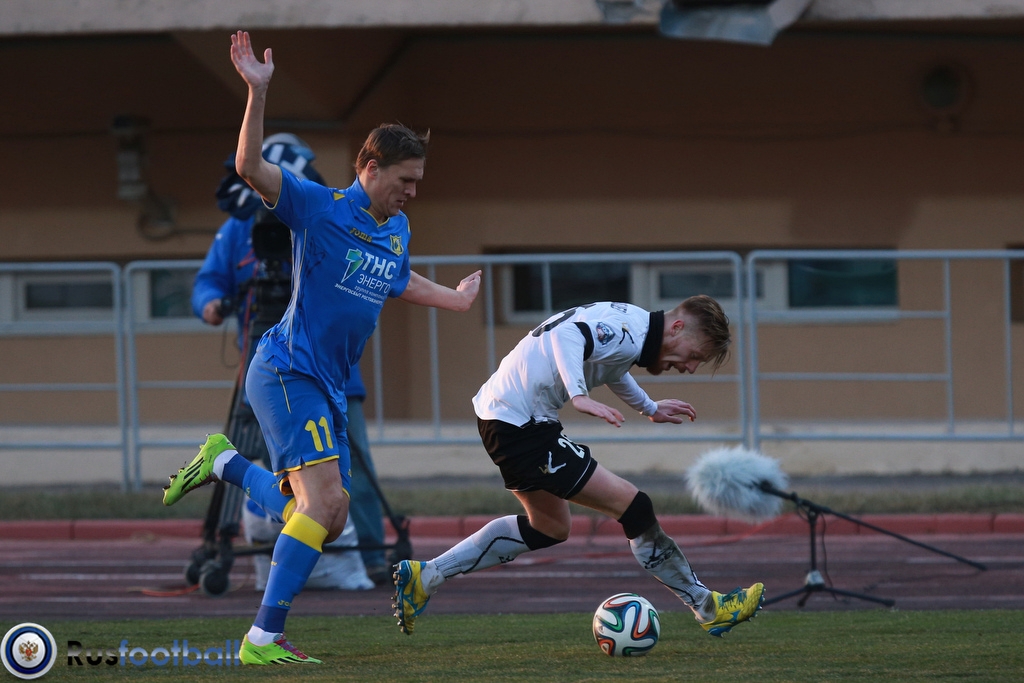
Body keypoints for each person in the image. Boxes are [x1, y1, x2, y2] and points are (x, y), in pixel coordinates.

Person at [162, 30, 481, 665]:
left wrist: (453, 299)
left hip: (327, 384)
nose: (413, 191)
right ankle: (261, 640)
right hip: (288, 369)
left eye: (418, 180)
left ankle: (226, 464)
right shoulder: (318, 206)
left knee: (326, 518)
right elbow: (249, 168)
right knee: (327, 503)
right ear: (370, 168)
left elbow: (397, 278)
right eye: (406, 179)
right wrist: (257, 92)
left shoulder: (397, 227)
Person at [392, 296, 765, 639]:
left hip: (504, 417)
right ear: (677, 328)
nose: (690, 367)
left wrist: (648, 407)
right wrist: (579, 396)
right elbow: (568, 334)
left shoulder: (634, 324)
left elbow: (610, 364)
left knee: (549, 527)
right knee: (635, 507)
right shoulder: (630, 333)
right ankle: (708, 607)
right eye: (694, 355)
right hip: (522, 425)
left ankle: (426, 577)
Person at [192, 134, 390, 585]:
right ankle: (266, 552)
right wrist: (211, 304)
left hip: (333, 370)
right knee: (284, 470)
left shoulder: (325, 217)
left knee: (351, 468)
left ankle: (369, 553)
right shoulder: (238, 228)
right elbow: (208, 282)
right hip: (271, 364)